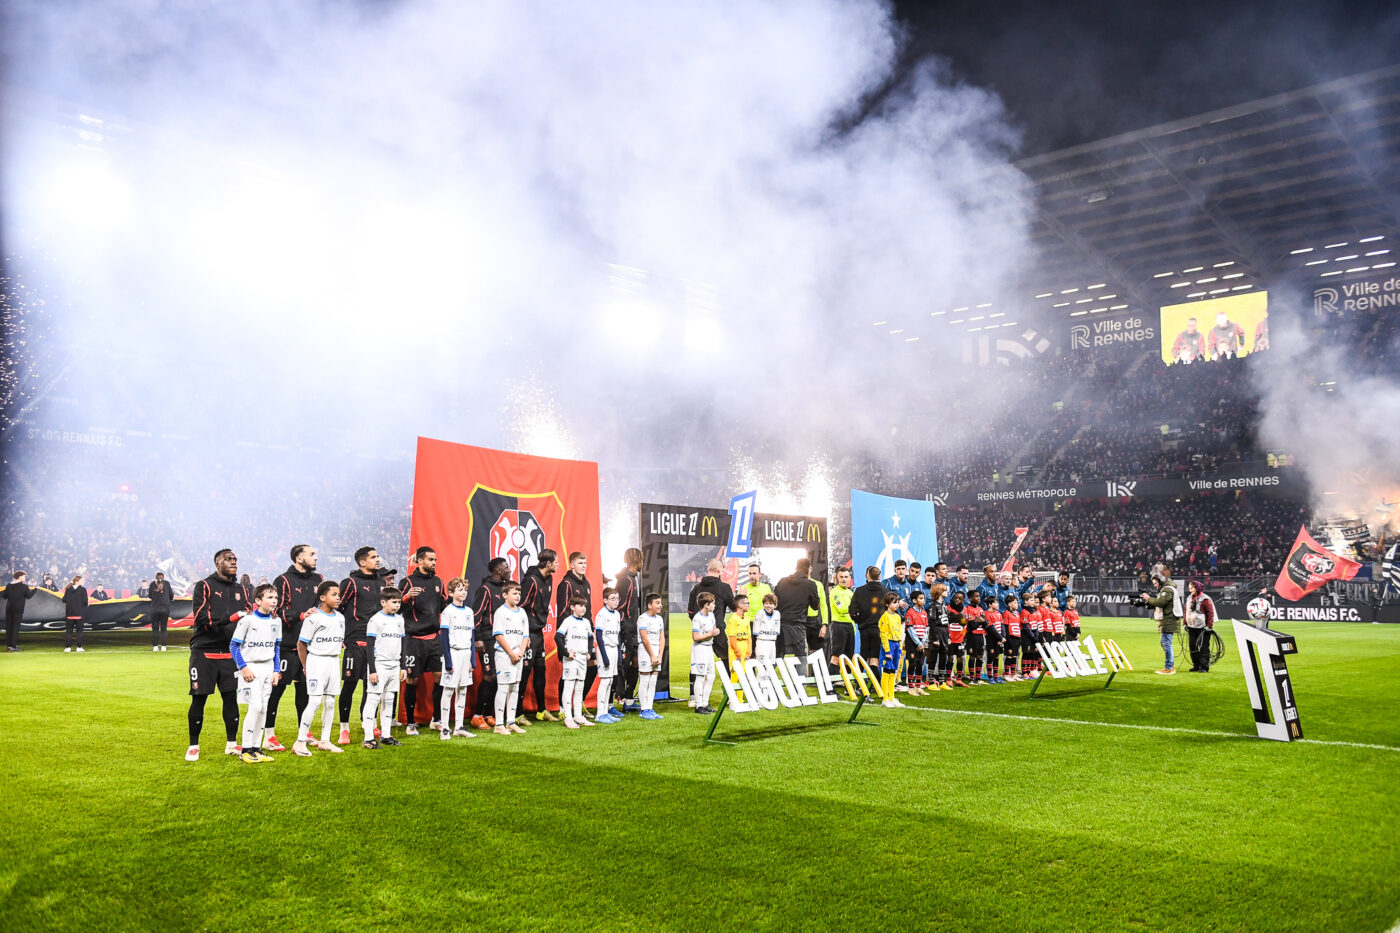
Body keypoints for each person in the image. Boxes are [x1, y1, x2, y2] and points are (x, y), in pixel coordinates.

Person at [185, 550, 251, 761]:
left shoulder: (242, 589)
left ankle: (231, 744)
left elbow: (249, 615)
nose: (233, 562)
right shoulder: (204, 586)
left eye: (235, 559)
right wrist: (233, 617)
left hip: (230, 652)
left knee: (230, 698)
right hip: (204, 651)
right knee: (199, 698)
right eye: (228, 559)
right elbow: (201, 617)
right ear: (217, 563)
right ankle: (193, 746)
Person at [267, 545, 322, 752]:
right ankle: (269, 736)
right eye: (311, 554)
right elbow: (277, 610)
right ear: (299, 558)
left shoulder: (318, 579)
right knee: (276, 692)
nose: (316, 558)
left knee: (305, 691)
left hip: (309, 647)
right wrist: (300, 615)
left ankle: (304, 732)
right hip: (287, 646)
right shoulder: (283, 580)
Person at [337, 546, 387, 745]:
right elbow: (338, 608)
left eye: (378, 556)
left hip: (376, 642)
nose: (378, 559)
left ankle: (369, 723)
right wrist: (341, 636)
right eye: (373, 557)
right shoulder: (350, 582)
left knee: (371, 686)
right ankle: (344, 728)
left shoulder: (381, 582)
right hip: (355, 641)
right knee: (349, 685)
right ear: (362, 562)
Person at [231, 584, 281, 764]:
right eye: (269, 597)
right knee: (255, 707)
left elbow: (276, 647)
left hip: (268, 667)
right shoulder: (247, 621)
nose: (274, 601)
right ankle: (246, 749)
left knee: (264, 708)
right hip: (251, 668)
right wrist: (243, 667)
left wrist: (276, 670)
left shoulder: (277, 621)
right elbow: (234, 645)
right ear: (258, 601)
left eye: (275, 597)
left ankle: (256, 748)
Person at [295, 580, 347, 756]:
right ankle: (300, 742)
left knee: (330, 701)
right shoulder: (314, 617)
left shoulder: (340, 617)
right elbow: (301, 644)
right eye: (334, 594)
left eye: (339, 595)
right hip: (317, 661)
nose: (338, 598)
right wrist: (305, 666)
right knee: (315, 701)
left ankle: (325, 741)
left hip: (334, 661)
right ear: (322, 597)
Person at [400, 546, 446, 735]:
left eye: (435, 560)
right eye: (430, 559)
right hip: (414, 639)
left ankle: (436, 719)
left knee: (441, 677)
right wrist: (406, 597)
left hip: (434, 638)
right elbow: (396, 608)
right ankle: (410, 723)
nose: (434, 563)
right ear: (420, 561)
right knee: (412, 680)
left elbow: (443, 606)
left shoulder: (438, 581)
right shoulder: (407, 582)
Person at [469, 558, 510, 730]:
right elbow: (476, 615)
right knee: (489, 676)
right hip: (486, 639)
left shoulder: (505, 589)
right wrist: (478, 638)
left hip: (501, 639)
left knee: (497, 677)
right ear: (498, 570)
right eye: (506, 567)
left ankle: (487, 714)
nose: (509, 570)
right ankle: (477, 715)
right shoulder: (485, 589)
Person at [363, 586, 407, 749]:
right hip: (380, 665)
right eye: (394, 602)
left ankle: (386, 735)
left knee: (389, 700)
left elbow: (403, 643)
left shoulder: (400, 620)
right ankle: (368, 738)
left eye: (399, 602)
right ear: (383, 602)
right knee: (373, 700)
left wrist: (403, 666)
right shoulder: (375, 620)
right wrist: (372, 670)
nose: (397, 605)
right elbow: (369, 646)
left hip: (394, 665)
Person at [519, 548, 560, 723]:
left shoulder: (549, 578)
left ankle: (541, 710)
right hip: (528, 633)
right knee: (524, 673)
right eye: (556, 562)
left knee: (541, 670)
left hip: (539, 632)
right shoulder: (531, 580)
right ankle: (517, 714)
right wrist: (524, 634)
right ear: (548, 563)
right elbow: (520, 607)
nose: (558, 564)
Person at [688, 558, 736, 697]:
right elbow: (734, 607)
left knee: (697, 663)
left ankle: (693, 697)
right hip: (717, 630)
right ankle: (729, 694)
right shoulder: (724, 587)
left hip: (700, 632)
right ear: (720, 570)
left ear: (708, 569)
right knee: (726, 659)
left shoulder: (696, 588)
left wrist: (700, 623)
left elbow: (690, 612)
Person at [555, 552, 594, 720]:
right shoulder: (566, 584)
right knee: (568, 673)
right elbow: (563, 611)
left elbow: (588, 610)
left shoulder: (587, 583)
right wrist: (567, 637)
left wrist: (590, 630)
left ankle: (579, 704)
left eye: (585, 562)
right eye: (580, 563)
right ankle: (563, 708)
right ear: (572, 564)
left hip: (585, 634)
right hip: (571, 636)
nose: (583, 565)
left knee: (592, 666)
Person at [438, 578, 476, 739]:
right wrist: (448, 661)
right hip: (453, 653)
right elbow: (444, 637)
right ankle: (445, 728)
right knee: (448, 690)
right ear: (451, 593)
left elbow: (472, 637)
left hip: (466, 654)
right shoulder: (448, 612)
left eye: (465, 589)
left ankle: (459, 726)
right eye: (460, 589)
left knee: (463, 690)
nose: (463, 592)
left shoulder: (469, 612)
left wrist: (472, 660)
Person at [492, 581, 530, 736]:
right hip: (504, 655)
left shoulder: (522, 613)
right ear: (505, 595)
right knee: (503, 688)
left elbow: (525, 635)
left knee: (515, 688)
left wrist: (520, 652)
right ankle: (499, 724)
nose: (518, 596)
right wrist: (511, 654)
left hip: (518, 656)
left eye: (519, 593)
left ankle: (511, 722)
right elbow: (499, 635)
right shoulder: (500, 612)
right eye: (514, 593)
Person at [613, 548, 645, 716]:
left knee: (636, 663)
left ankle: (629, 700)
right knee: (622, 666)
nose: (642, 563)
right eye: (641, 560)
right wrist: (625, 625)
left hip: (633, 629)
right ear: (636, 561)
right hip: (626, 630)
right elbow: (619, 606)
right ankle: (614, 701)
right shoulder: (625, 580)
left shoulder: (633, 578)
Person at [774, 558, 820, 674]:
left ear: (796, 567)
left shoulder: (782, 581)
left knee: (777, 655)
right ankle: (800, 684)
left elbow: (774, 602)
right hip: (797, 625)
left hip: (779, 624)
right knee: (801, 657)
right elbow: (815, 606)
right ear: (809, 569)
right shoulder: (810, 584)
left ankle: (765, 681)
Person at [556, 596, 595, 729]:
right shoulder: (568, 621)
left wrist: (589, 651)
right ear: (572, 607)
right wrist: (566, 653)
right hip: (571, 660)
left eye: (584, 606)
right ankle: (568, 717)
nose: (583, 608)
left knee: (579, 687)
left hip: (582, 659)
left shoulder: (586, 622)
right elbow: (558, 637)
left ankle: (578, 716)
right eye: (580, 605)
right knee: (569, 687)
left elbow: (590, 637)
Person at [1141, 563, 1182, 675]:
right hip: (1168, 619)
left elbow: (1161, 602)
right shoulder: (1166, 589)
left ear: (1160, 581)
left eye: (1155, 583)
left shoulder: (1167, 590)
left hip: (1169, 620)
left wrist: (1149, 598)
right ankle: (1170, 665)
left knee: (1166, 643)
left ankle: (1169, 667)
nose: (1154, 585)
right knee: (1165, 643)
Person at [593, 588, 623, 724]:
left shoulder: (617, 614)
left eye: (617, 599)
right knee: (605, 681)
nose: (616, 601)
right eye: (612, 599)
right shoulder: (601, 614)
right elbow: (599, 636)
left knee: (610, 680)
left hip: (614, 649)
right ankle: (600, 713)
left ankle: (606, 712)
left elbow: (618, 635)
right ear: (605, 600)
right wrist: (604, 656)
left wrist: (619, 654)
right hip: (605, 648)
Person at [849, 566, 886, 674]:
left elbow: (852, 611)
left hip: (864, 628)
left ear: (867, 575)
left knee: (863, 654)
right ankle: (874, 682)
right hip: (879, 629)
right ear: (879, 576)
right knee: (874, 657)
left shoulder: (859, 591)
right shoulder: (885, 592)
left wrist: (859, 620)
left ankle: (858, 680)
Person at [636, 594, 666, 720]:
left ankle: (650, 707)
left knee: (653, 681)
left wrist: (660, 655)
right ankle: (643, 709)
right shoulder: (642, 619)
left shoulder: (659, 619)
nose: (660, 605)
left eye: (660, 603)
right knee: (645, 679)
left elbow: (662, 638)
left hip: (656, 650)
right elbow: (644, 639)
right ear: (649, 605)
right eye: (657, 603)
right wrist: (652, 655)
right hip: (645, 651)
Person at [689, 592, 720, 714]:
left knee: (711, 676)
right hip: (700, 648)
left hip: (709, 647)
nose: (714, 605)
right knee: (700, 677)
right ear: (706, 605)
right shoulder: (697, 618)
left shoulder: (711, 615)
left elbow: (713, 629)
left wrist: (715, 632)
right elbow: (695, 637)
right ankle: (698, 705)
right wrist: (710, 634)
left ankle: (705, 703)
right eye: (713, 603)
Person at [877, 593, 905, 709]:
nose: (897, 605)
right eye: (894, 602)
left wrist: (899, 648)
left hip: (896, 645)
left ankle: (892, 697)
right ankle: (885, 698)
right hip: (888, 645)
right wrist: (887, 651)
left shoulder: (897, 617)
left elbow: (899, 633)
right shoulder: (884, 617)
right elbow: (883, 634)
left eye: (898, 602)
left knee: (893, 671)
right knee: (886, 671)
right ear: (887, 604)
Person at [827, 568, 855, 670]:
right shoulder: (834, 592)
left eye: (846, 577)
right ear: (837, 578)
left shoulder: (850, 593)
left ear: (850, 578)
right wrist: (853, 609)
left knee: (848, 659)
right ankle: (830, 680)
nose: (844, 579)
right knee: (836, 658)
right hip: (838, 626)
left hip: (850, 626)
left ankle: (846, 680)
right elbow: (842, 609)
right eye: (841, 577)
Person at [1185, 581, 1216, 673]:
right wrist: (1184, 623)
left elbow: (1210, 613)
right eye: (1189, 588)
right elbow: (1186, 611)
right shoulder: (1189, 598)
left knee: (1203, 647)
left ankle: (1204, 667)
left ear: (1197, 588)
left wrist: (1209, 625)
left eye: (1192, 588)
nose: (1190, 590)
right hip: (1191, 626)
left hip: (1203, 628)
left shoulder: (1205, 599)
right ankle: (1196, 665)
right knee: (1192, 647)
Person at [726, 593, 753, 698]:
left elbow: (749, 636)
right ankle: (732, 700)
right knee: (735, 674)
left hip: (744, 646)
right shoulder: (733, 619)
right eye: (747, 603)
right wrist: (737, 652)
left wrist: (749, 651)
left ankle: (740, 700)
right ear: (740, 605)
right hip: (735, 648)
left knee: (743, 675)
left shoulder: (746, 619)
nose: (748, 605)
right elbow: (732, 638)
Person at [903, 590, 928, 695]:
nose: (923, 600)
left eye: (924, 598)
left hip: (921, 642)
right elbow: (910, 630)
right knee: (912, 663)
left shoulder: (924, 613)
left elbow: (926, 628)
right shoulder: (910, 612)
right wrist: (918, 643)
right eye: (921, 598)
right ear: (914, 600)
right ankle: (910, 687)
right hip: (912, 642)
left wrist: (923, 642)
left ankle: (918, 686)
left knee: (920, 663)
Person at [5, 571, 36, 652]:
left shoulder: (8, 585)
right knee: (15, 627)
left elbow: (5, 596)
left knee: (9, 627)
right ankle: (13, 646)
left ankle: (9, 646)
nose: (25, 578)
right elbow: (29, 596)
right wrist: (35, 589)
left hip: (9, 609)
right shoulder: (24, 586)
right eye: (24, 576)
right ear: (20, 577)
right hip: (18, 609)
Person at [739, 563, 773, 634]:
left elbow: (770, 606)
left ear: (759, 574)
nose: (752, 576)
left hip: (762, 622)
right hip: (747, 623)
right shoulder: (743, 588)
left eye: (754, 573)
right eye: (750, 573)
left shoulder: (766, 588)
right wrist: (741, 597)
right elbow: (737, 608)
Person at [148, 571, 173, 652]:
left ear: (156, 577)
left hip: (154, 609)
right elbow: (171, 595)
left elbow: (150, 596)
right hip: (165, 609)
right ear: (163, 577)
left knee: (155, 628)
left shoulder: (152, 584)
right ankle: (163, 647)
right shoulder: (167, 584)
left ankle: (155, 646)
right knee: (164, 627)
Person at [753, 593, 780, 661]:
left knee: (771, 663)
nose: (768, 605)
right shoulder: (760, 613)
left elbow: (777, 629)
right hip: (762, 642)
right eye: (766, 603)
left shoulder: (777, 614)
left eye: (771, 604)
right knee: (762, 663)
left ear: (775, 605)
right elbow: (755, 631)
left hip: (772, 642)